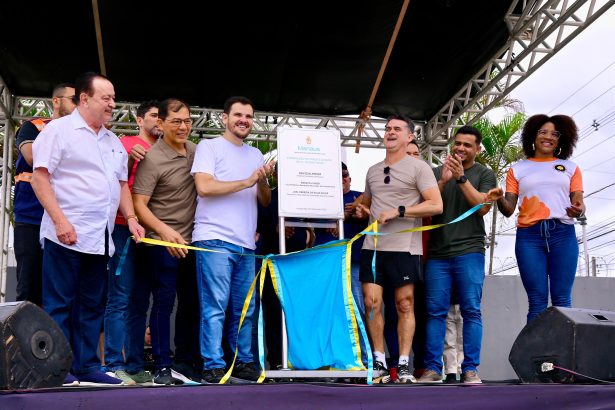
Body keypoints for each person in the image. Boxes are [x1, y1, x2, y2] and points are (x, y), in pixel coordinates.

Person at [31, 72, 144, 385]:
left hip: (99, 238)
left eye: (113, 98)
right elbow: (40, 178)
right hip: (64, 234)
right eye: (105, 98)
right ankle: (57, 369)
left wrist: (131, 218)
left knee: (92, 305)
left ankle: (87, 366)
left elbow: (121, 185)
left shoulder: (112, 141)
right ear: (84, 98)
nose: (112, 104)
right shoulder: (58, 131)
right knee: (60, 304)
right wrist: (60, 221)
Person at [356, 114, 442, 383]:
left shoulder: (420, 168)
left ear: (410, 136)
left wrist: (400, 211)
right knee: (371, 303)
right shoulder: (372, 170)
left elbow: (436, 204)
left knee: (404, 304)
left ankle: (404, 364)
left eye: (396, 129)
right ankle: (379, 361)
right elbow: (367, 202)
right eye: (387, 129)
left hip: (405, 247)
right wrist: (361, 210)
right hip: (373, 246)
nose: (390, 132)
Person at [192, 96, 273, 383]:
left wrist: (261, 181)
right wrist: (247, 181)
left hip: (246, 244)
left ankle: (244, 361)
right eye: (238, 115)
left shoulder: (256, 154)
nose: (244, 120)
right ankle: (213, 364)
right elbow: (204, 187)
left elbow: (264, 200)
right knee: (215, 306)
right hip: (213, 238)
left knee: (245, 309)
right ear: (224, 118)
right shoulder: (209, 146)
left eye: (249, 116)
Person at [418, 125, 496, 384]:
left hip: (470, 251)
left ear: (478, 149)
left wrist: (461, 178)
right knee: (435, 312)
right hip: (437, 255)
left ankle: (470, 369)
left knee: (471, 310)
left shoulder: (484, 174)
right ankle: (432, 368)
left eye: (467, 145)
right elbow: (427, 207)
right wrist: (443, 180)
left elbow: (482, 207)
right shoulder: (436, 172)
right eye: (458, 143)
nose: (461, 148)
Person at [131, 98, 201, 385]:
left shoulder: (197, 152)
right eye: (176, 121)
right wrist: (164, 233)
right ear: (160, 123)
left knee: (192, 303)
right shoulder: (152, 158)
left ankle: (186, 363)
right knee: (163, 302)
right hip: (160, 243)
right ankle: (162, 365)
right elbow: (139, 204)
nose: (183, 127)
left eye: (187, 121)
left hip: (192, 242)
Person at [490, 114, 584, 322]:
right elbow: (508, 209)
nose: (548, 137)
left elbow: (578, 201)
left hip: (563, 234)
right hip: (529, 237)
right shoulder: (517, 169)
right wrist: (498, 198)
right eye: (543, 132)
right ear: (533, 136)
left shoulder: (570, 167)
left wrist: (578, 209)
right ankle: (537, 346)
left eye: (555, 134)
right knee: (537, 301)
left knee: (562, 300)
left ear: (562, 139)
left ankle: (561, 345)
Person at [103, 100, 160, 385]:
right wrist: (129, 159)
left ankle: (136, 364)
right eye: (153, 115)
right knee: (120, 297)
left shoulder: (169, 150)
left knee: (140, 301)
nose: (159, 120)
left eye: (162, 116)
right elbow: (115, 180)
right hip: (123, 228)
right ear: (139, 120)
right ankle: (114, 364)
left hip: (153, 234)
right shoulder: (123, 143)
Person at [13, 83, 75, 306]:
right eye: (73, 99)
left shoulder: (83, 134)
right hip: (31, 218)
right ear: (56, 101)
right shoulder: (34, 126)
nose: (78, 104)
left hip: (67, 221)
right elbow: (32, 157)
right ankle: (25, 329)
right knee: (29, 289)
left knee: (61, 290)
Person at [254, 162, 312, 369]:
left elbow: (313, 227)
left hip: (302, 265)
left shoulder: (305, 199)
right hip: (273, 264)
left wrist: (309, 233)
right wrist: (276, 228)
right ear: (275, 176)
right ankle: (278, 360)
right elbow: (259, 225)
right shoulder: (268, 197)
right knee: (274, 313)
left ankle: (303, 361)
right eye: (282, 173)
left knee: (300, 313)